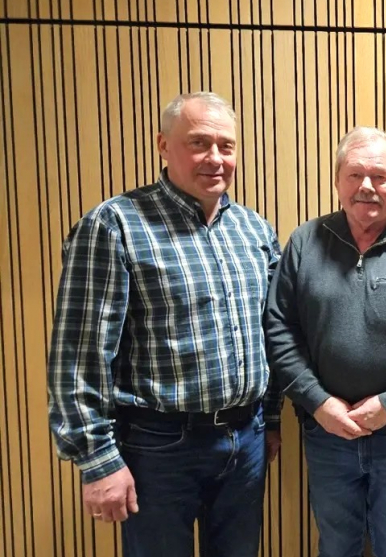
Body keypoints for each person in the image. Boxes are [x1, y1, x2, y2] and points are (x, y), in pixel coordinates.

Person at [47, 92, 283, 557]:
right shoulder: (115, 224)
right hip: (159, 447)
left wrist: (270, 418)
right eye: (199, 143)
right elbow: (78, 354)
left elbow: (269, 335)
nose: (215, 158)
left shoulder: (254, 230)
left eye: (226, 146)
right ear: (163, 145)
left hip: (246, 438)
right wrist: (97, 460)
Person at [265, 126, 386, 557]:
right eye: (355, 174)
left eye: (380, 176)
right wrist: (319, 403)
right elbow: (280, 329)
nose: (367, 186)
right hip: (326, 428)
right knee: (336, 546)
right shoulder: (305, 242)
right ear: (338, 181)